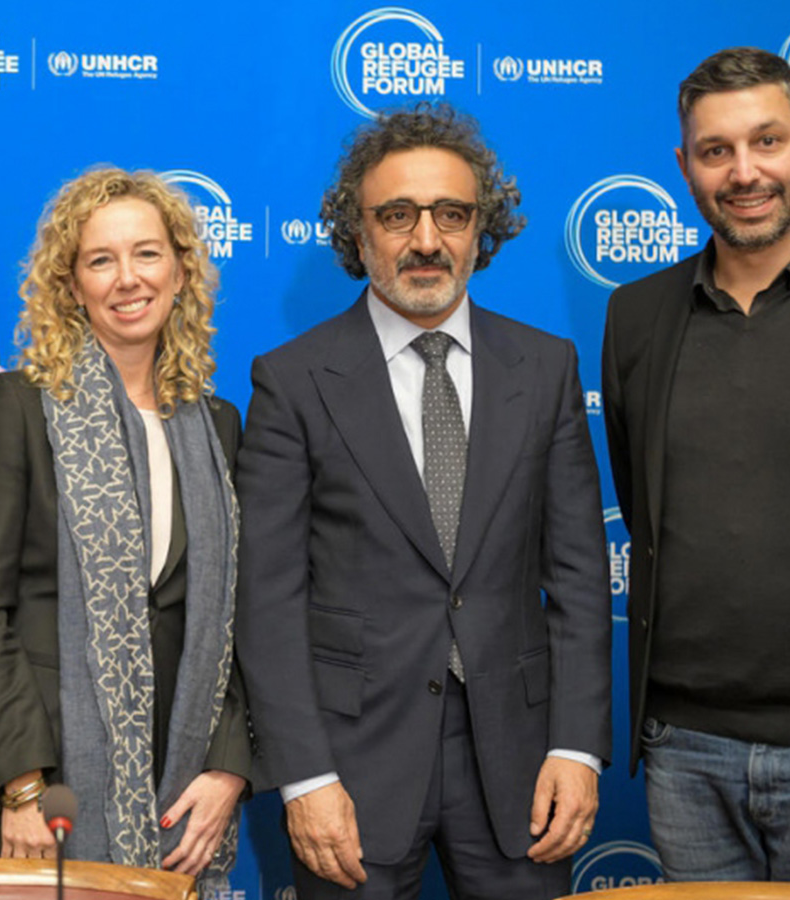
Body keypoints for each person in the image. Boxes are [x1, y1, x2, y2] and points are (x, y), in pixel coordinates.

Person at [235, 103, 612, 900]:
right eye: (398, 215)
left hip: (521, 762)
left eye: (452, 213)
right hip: (351, 766)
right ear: (358, 231)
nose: (428, 240)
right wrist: (303, 776)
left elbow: (579, 580)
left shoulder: (544, 369)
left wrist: (578, 750)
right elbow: (267, 597)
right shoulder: (293, 379)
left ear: (483, 228)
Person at [0, 167, 249, 886]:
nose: (127, 279)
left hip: (180, 784)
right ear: (71, 283)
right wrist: (21, 783)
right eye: (100, 260)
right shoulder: (19, 407)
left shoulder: (217, 426)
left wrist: (229, 768)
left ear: (180, 270)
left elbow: (237, 618)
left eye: (146, 253)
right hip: (43, 784)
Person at [603, 47, 790, 882]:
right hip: (684, 747)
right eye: (717, 151)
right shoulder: (636, 316)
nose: (745, 172)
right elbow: (643, 508)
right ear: (685, 167)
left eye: (769, 141)